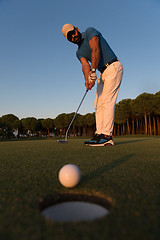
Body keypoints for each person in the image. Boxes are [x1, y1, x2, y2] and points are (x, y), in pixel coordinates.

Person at [62, 24, 123, 146]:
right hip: (102, 72)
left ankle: (107, 136)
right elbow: (85, 66)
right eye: (70, 37)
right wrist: (88, 79)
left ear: (77, 29)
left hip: (113, 67)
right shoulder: (78, 52)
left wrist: (93, 71)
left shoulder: (90, 31)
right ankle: (99, 133)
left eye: (73, 33)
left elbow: (96, 50)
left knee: (107, 100)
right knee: (98, 103)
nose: (73, 37)